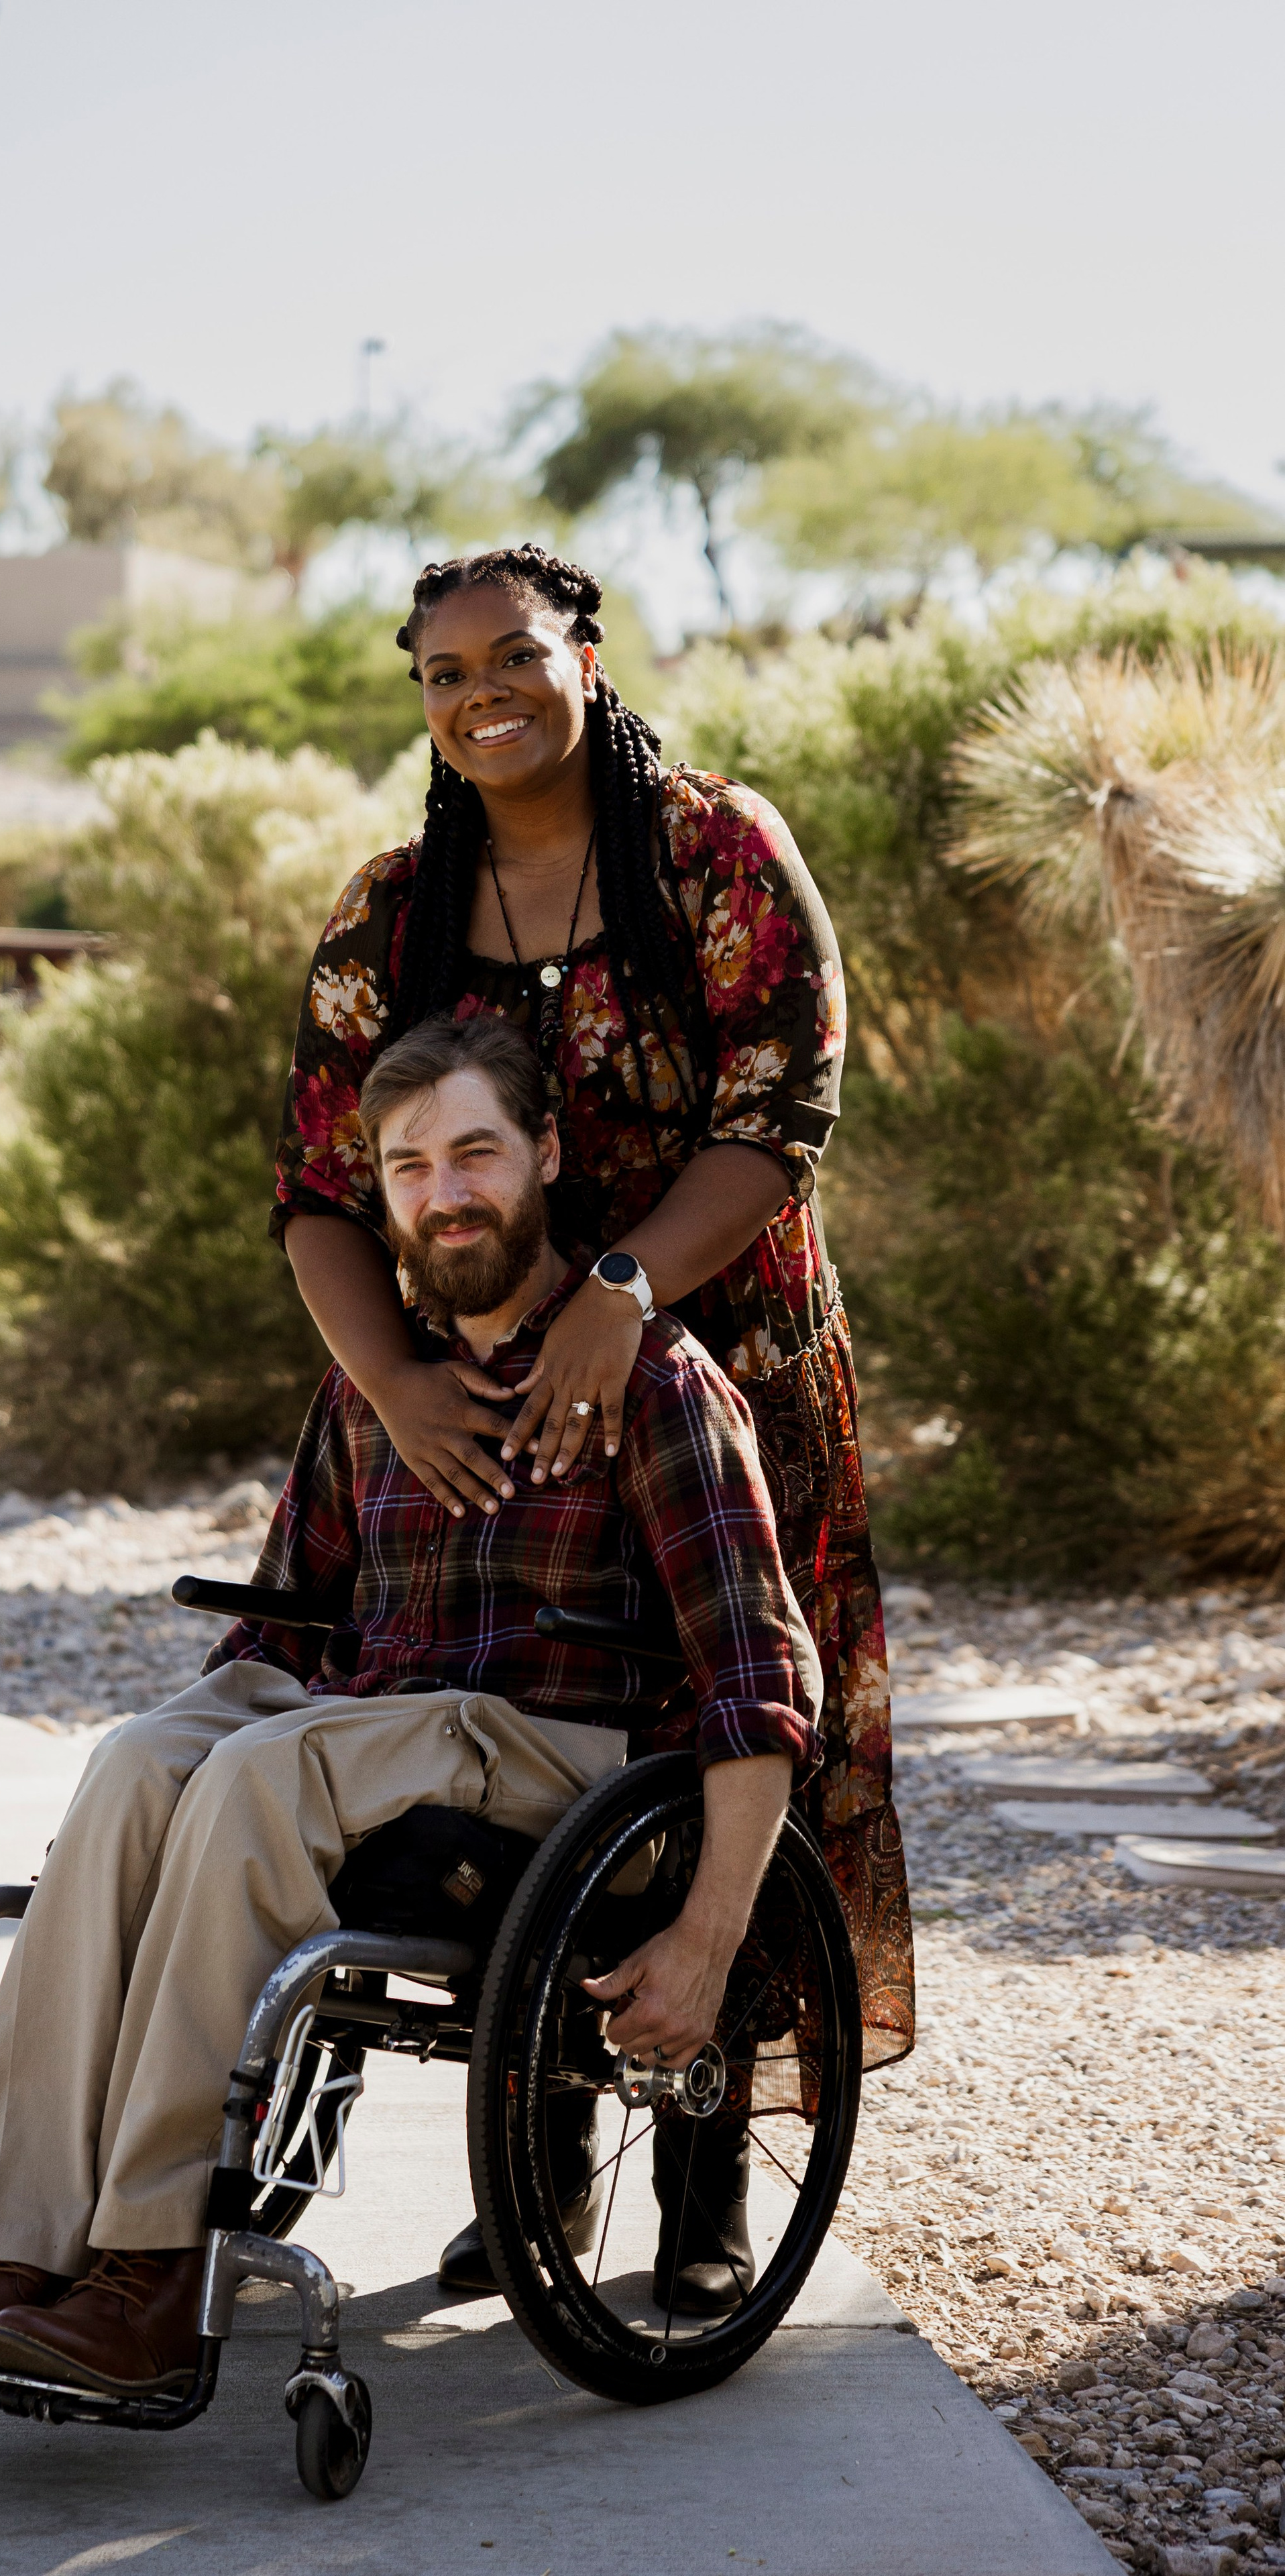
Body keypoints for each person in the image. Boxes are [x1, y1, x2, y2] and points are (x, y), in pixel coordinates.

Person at [0, 1012, 824, 2398]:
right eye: (407, 1168)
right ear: (380, 1194)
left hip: (551, 1754)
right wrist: (133, 1831)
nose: (445, 1194)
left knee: (263, 1779)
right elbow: (284, 1624)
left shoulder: (656, 1383)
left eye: (475, 1154)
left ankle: (155, 2270)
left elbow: (760, 1678)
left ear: (544, 1156)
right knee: (144, 1759)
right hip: (375, 1729)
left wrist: (707, 1936)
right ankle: (17, 2253)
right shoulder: (371, 1391)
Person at [273, 548, 914, 2191]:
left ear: (584, 656)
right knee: (518, 1719)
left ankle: (703, 2179)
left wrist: (621, 1293)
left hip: (716, 1363)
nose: (477, 693)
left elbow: (779, 1116)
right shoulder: (392, 910)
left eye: (512, 655)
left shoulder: (713, 850)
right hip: (475, 1388)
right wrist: (393, 1392)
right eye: (441, 673)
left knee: (720, 1719)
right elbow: (320, 1195)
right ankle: (539, 2170)